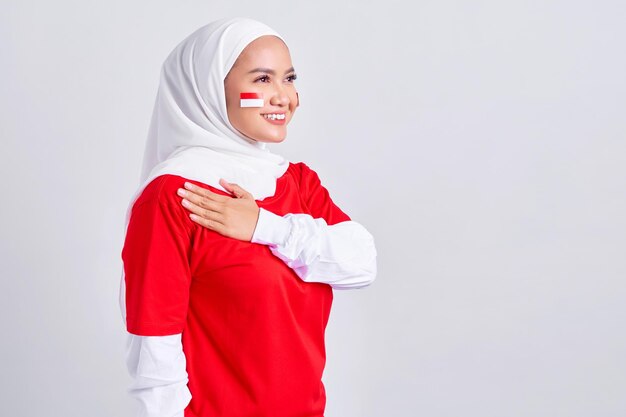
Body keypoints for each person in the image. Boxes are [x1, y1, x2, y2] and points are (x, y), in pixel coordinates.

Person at [119, 17, 377, 417]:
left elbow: (361, 264)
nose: (283, 97)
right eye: (261, 79)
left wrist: (263, 227)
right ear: (208, 88)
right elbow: (154, 348)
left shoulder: (297, 183)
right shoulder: (175, 196)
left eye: (289, 79)